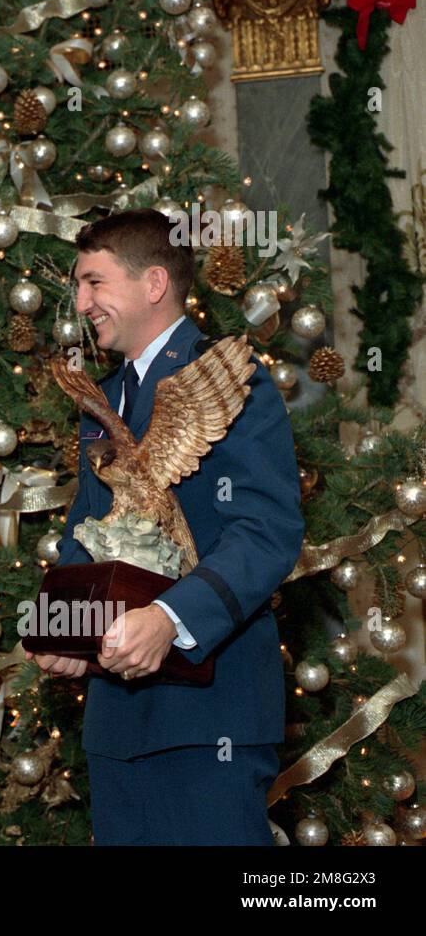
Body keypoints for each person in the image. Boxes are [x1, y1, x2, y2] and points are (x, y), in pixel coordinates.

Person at [27, 207, 304, 845]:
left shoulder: (231, 378)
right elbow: (91, 532)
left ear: (153, 284)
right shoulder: (104, 399)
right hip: (117, 720)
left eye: (94, 282)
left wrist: (170, 620)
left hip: (210, 717)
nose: (80, 301)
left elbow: (265, 531)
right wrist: (69, 632)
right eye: (78, 285)